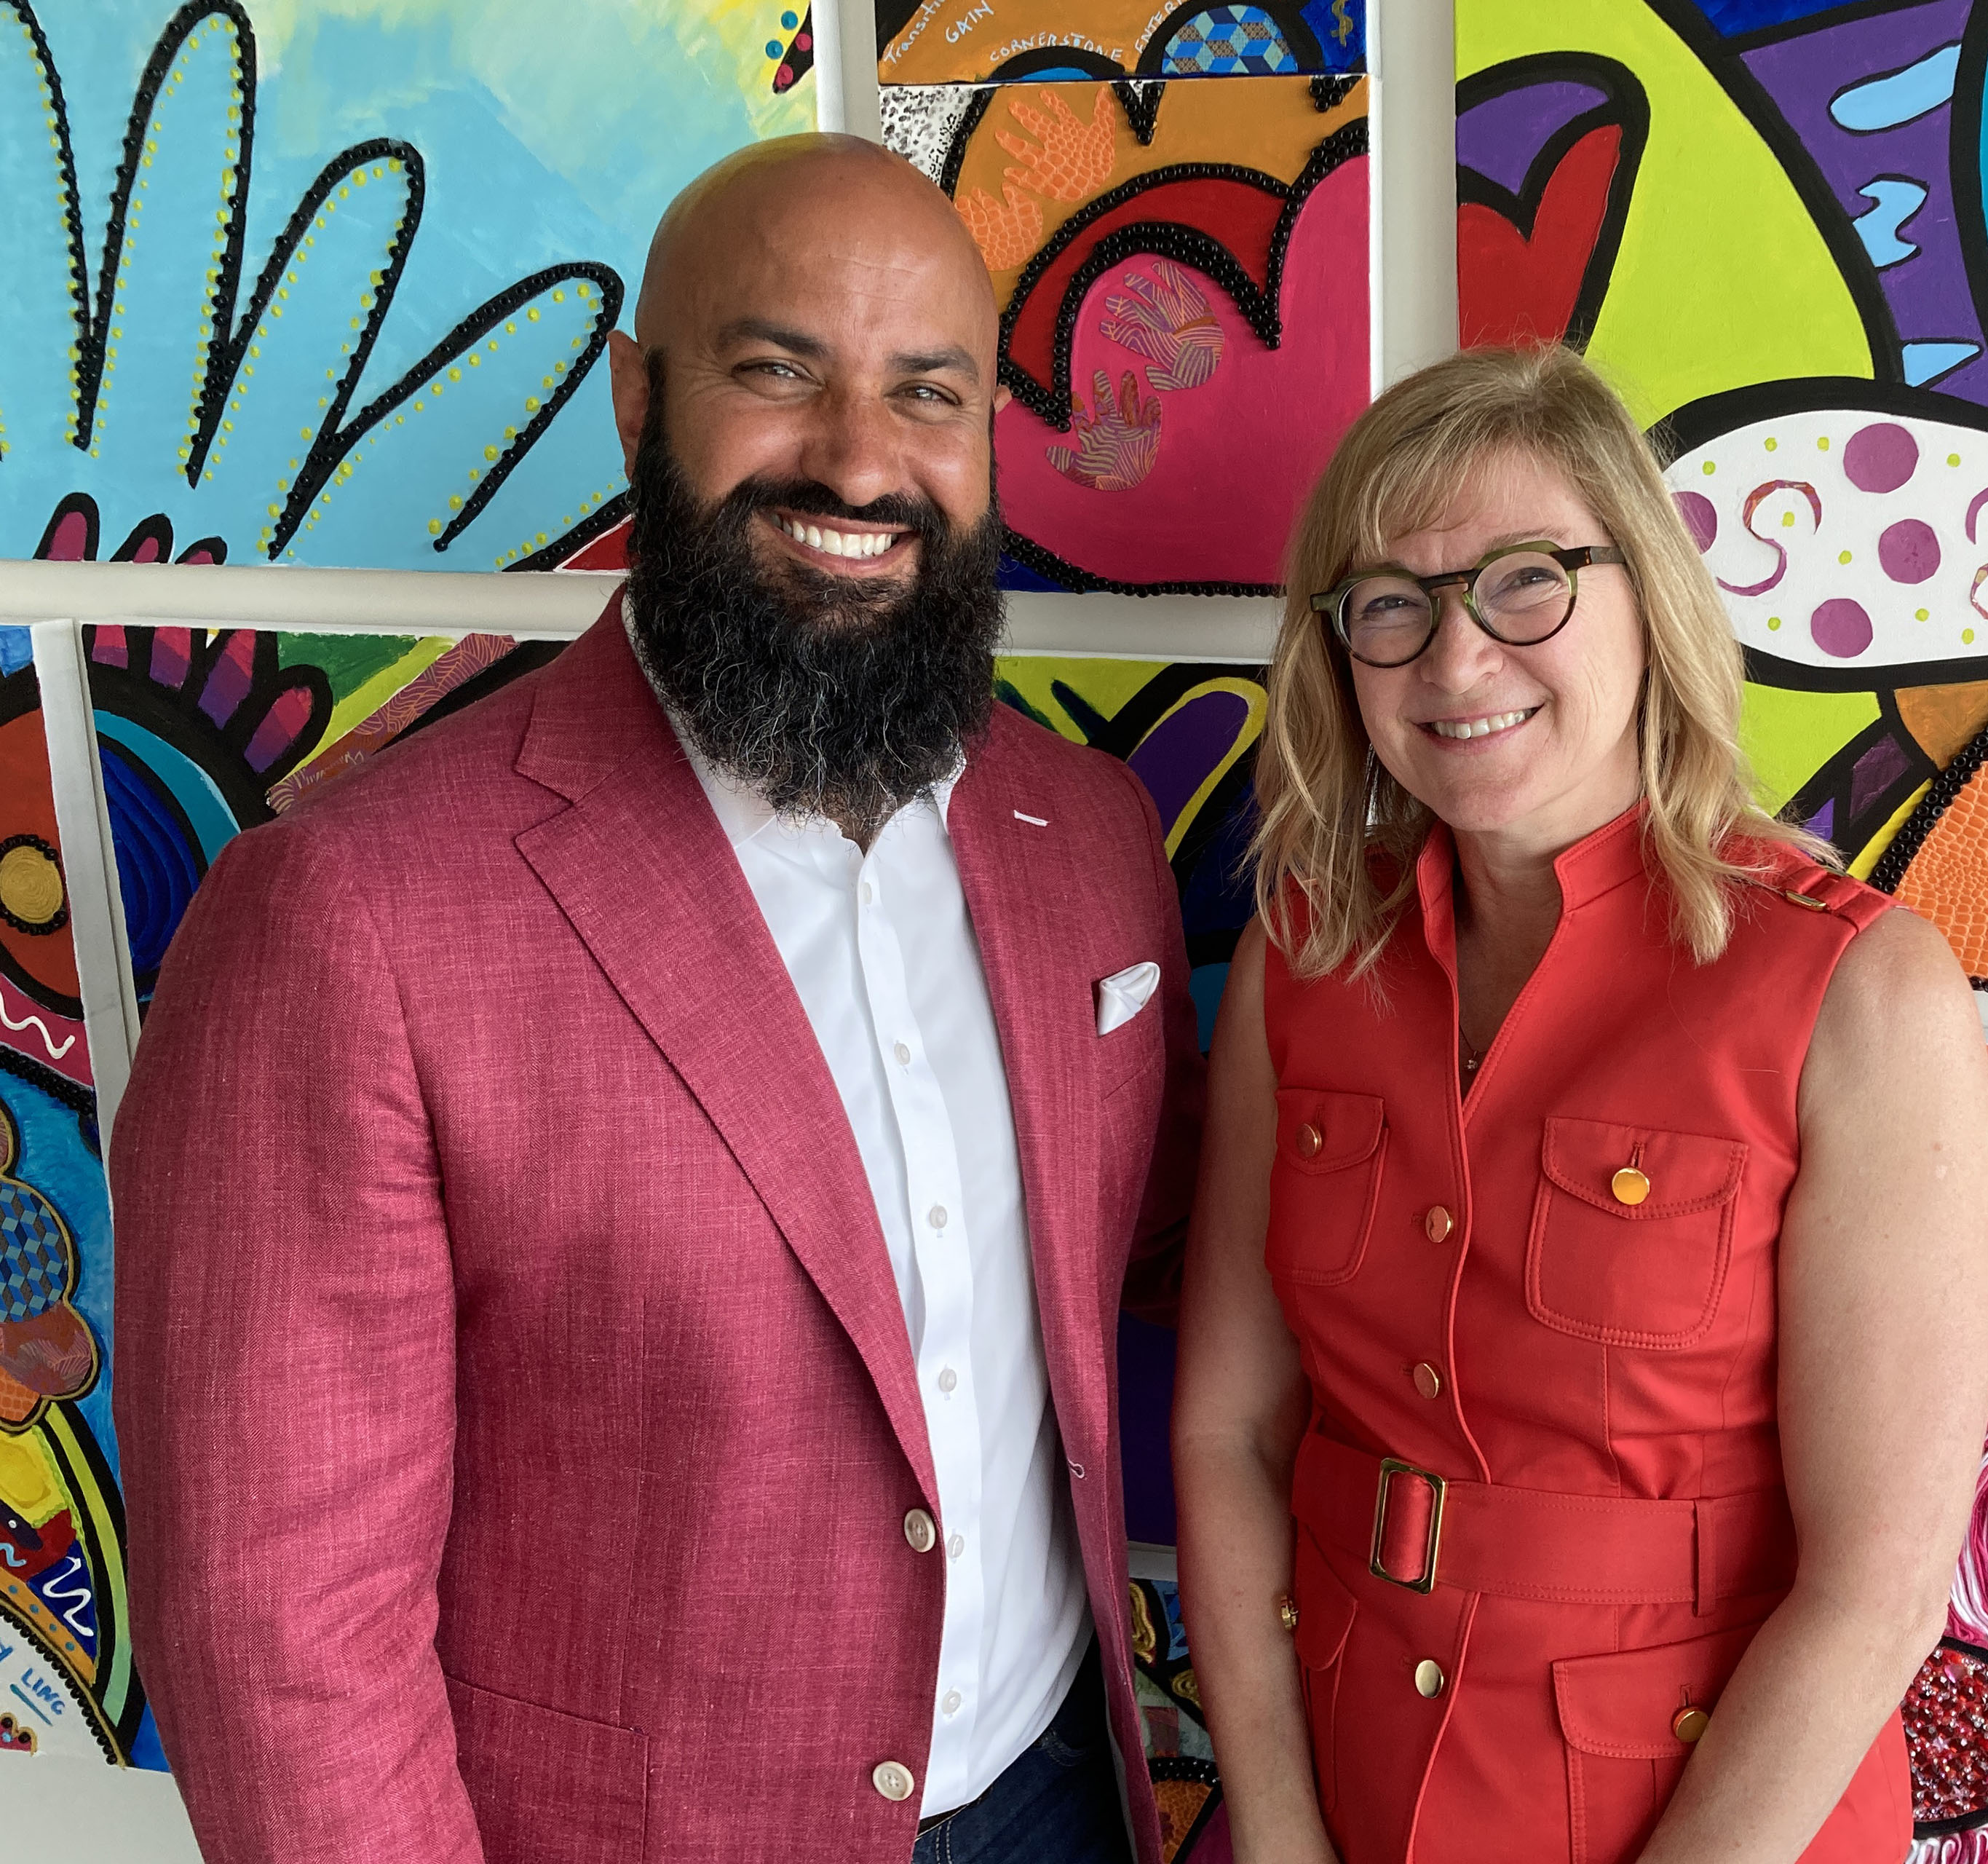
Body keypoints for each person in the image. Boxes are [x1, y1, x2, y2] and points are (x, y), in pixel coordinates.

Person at [112, 134, 1200, 1864]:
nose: (862, 457)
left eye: (929, 393)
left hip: (1062, 1794)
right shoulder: (344, 916)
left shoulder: (1088, 837)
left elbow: (1177, 1253)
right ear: (640, 401)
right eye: (781, 372)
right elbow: (282, 1634)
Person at [1171, 345, 1988, 1864]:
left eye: (1525, 583)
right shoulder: (1301, 956)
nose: (1456, 659)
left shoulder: (1861, 992)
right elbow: (1230, 1427)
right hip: (1349, 1772)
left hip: (1707, 1813)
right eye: (1390, 604)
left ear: (1651, 599)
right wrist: (1279, 1830)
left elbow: (1878, 1583)